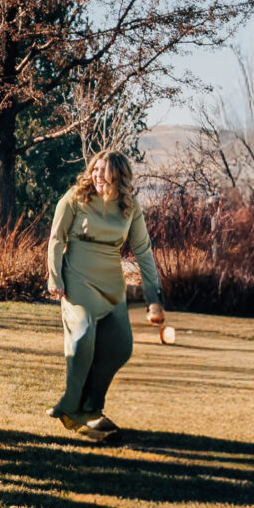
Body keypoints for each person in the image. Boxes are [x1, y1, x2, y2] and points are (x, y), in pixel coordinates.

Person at [45, 148, 167, 442]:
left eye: (105, 171)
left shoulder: (129, 206)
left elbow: (143, 252)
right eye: (95, 169)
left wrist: (153, 299)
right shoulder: (75, 198)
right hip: (78, 278)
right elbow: (56, 238)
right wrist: (55, 277)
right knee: (83, 334)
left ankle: (91, 407)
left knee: (120, 347)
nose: (98, 176)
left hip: (112, 282)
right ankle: (72, 408)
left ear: (119, 177)